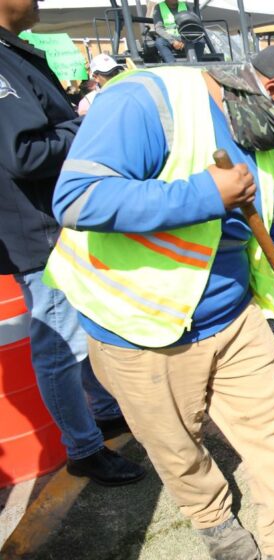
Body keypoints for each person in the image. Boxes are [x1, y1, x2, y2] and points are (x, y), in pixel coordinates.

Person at [45, 41, 274, 559]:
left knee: (269, 426)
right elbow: (77, 198)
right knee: (178, 448)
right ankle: (218, 526)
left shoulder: (260, 135)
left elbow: (269, 245)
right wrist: (204, 195)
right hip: (142, 330)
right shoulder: (147, 102)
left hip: (234, 317)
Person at [0, 0, 145, 487]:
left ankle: (102, 410)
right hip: (36, 229)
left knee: (80, 328)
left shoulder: (15, 53)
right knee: (60, 344)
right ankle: (83, 447)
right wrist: (83, 127)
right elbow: (24, 153)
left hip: (51, 220)